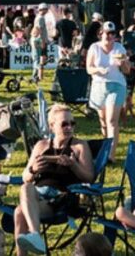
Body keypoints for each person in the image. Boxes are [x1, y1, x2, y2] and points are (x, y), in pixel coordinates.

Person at [14, 104, 94, 255]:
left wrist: (74, 165)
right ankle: (35, 235)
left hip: (61, 199)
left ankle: (34, 237)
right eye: (64, 124)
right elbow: (25, 177)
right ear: (52, 126)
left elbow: (89, 177)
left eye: (72, 123)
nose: (69, 127)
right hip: (38, 195)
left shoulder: (79, 146)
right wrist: (33, 169)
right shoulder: (41, 145)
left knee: (19, 212)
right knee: (26, 188)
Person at [86, 22, 129, 158]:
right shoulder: (94, 48)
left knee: (111, 120)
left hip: (116, 85)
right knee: (103, 121)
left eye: (112, 34)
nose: (110, 36)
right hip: (99, 85)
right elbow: (89, 68)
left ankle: (111, 155)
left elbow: (127, 71)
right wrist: (98, 70)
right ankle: (106, 146)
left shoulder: (119, 48)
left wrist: (122, 63)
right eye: (107, 33)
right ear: (101, 34)